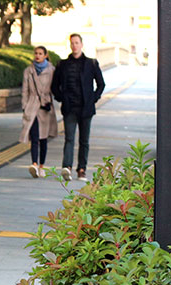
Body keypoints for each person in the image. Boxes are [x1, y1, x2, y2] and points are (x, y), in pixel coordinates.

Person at [51, 33, 105, 182]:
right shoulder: (63, 64)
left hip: (86, 108)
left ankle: (82, 169)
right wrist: (61, 98)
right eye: (72, 43)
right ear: (70, 45)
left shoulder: (91, 63)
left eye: (77, 43)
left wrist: (93, 98)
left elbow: (101, 84)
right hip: (70, 108)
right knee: (69, 138)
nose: (74, 45)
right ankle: (66, 167)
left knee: (84, 141)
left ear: (81, 45)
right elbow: (55, 86)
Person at [19, 45, 58, 179]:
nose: (37, 55)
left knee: (43, 139)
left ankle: (42, 166)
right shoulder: (28, 71)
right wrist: (24, 106)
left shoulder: (52, 70)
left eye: (40, 53)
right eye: (36, 53)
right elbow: (25, 90)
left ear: (45, 55)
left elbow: (55, 88)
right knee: (34, 136)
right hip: (32, 105)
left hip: (45, 106)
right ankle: (34, 164)